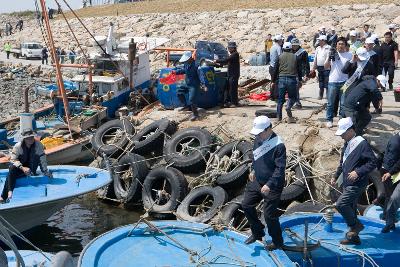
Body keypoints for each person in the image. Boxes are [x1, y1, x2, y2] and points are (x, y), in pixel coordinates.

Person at [242, 115, 286, 250]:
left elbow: (280, 169)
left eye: (260, 132)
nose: (258, 135)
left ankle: (278, 242)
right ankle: (257, 231)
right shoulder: (258, 139)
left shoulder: (279, 145)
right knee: (246, 204)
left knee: (269, 215)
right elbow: (256, 157)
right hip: (258, 181)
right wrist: (253, 170)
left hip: (272, 185)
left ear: (268, 129)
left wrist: (269, 184)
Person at [331, 117, 377, 245]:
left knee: (341, 204)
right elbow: (342, 163)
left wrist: (358, 172)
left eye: (343, 133)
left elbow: (373, 162)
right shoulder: (346, 144)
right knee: (351, 208)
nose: (342, 136)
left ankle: (356, 226)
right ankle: (354, 238)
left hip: (357, 183)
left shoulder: (361, 143)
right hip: (347, 183)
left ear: (351, 130)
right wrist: (335, 176)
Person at [0, 129, 52, 203]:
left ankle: (4, 195)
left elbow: (42, 159)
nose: (30, 139)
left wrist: (46, 171)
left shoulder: (39, 145)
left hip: (31, 168)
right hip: (21, 168)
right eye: (28, 138)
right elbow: (13, 160)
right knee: (11, 168)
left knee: (10, 175)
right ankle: (10, 191)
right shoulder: (18, 146)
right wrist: (22, 168)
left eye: (31, 137)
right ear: (24, 138)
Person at [324, 37, 352, 128]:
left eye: (342, 44)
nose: (340, 46)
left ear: (345, 45)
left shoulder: (349, 55)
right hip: (333, 81)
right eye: (339, 44)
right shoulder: (332, 54)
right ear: (336, 45)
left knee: (343, 103)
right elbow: (326, 67)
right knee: (330, 103)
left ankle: (341, 120)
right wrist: (329, 57)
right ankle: (329, 119)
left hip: (345, 82)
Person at [271, 42, 302, 123]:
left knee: (280, 100)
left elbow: (275, 70)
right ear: (291, 48)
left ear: (283, 48)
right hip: (292, 79)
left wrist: (273, 81)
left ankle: (279, 117)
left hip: (281, 79)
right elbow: (299, 70)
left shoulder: (279, 57)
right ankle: (288, 106)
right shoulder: (296, 57)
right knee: (293, 97)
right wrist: (300, 80)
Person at [173, 51, 202, 121]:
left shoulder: (196, 65)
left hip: (194, 85)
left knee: (192, 100)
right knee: (179, 92)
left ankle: (196, 114)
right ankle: (186, 106)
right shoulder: (186, 64)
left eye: (186, 59)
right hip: (187, 83)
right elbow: (184, 70)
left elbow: (201, 75)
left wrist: (203, 84)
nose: (185, 61)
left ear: (190, 58)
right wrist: (176, 72)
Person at [381, 132, 400, 233]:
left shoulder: (395, 139)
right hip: (392, 173)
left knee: (390, 196)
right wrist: (388, 172)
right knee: (392, 197)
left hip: (391, 171)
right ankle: (389, 222)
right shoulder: (395, 142)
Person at [215, 41, 240, 107]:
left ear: (233, 48)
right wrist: (219, 64)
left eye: (230, 48)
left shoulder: (235, 54)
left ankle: (234, 103)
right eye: (228, 48)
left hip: (234, 75)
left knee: (233, 89)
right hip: (230, 74)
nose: (229, 49)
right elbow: (226, 62)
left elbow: (226, 60)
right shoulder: (232, 55)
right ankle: (227, 101)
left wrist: (217, 60)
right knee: (227, 88)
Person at [291, 38, 310, 109]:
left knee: (296, 88)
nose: (294, 47)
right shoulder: (290, 51)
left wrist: (307, 74)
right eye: (293, 45)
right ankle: (295, 102)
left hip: (299, 73)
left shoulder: (303, 52)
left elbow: (306, 64)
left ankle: (297, 102)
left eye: (295, 45)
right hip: (291, 72)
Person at [312, 35, 331, 99]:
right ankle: (321, 94)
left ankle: (328, 95)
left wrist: (326, 65)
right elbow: (315, 58)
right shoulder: (318, 48)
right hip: (319, 67)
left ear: (323, 41)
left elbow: (328, 57)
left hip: (326, 67)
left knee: (327, 81)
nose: (318, 41)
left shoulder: (328, 48)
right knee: (320, 80)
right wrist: (313, 68)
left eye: (319, 40)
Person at [268, 35, 283, 100]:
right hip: (275, 67)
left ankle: (271, 95)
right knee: (276, 82)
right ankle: (276, 96)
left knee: (272, 81)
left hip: (271, 66)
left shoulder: (272, 47)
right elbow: (281, 57)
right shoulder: (278, 47)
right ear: (279, 40)